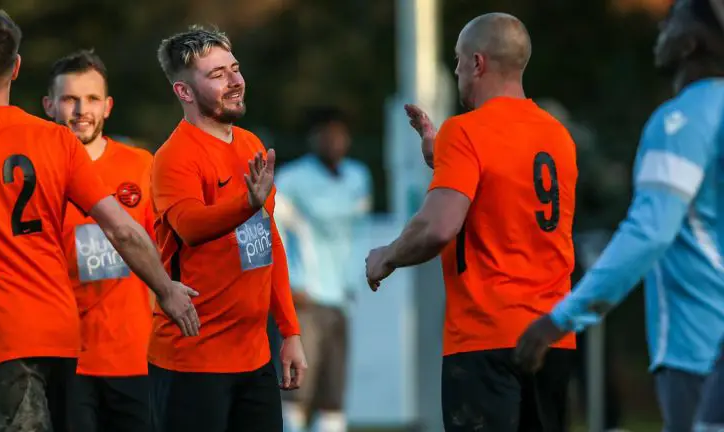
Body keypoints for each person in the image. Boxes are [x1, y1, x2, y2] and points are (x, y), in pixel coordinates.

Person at [0, 8, 200, 431]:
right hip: (62, 336)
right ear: (16, 67)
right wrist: (166, 289)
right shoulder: (55, 140)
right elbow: (122, 227)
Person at [515, 0, 724, 430]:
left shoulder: (681, 121)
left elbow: (649, 233)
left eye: (674, 19)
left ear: (692, 43)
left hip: (701, 345)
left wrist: (560, 319)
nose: (662, 27)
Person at [365, 13, 578, 432]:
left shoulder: (466, 131)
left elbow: (439, 226)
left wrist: (386, 256)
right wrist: (443, 160)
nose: (458, 70)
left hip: (487, 337)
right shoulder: (558, 135)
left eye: (460, 60)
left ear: (478, 63)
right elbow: (505, 195)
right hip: (552, 336)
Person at [148, 25, 307, 432]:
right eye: (217, 75)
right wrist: (246, 203)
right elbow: (189, 227)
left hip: (255, 357)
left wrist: (290, 331)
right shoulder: (175, 157)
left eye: (234, 69)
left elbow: (268, 242)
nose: (236, 81)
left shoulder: (251, 144)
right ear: (184, 92)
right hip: (193, 359)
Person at [43, 49, 156, 432]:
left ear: (107, 106)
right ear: (49, 105)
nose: (81, 110)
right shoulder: (36, 178)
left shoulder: (141, 166)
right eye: (69, 99)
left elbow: (166, 256)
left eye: (91, 99)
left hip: (137, 359)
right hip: (67, 361)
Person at [275, 107, 372, 432]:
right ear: (313, 137)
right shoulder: (290, 180)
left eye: (340, 133)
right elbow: (275, 234)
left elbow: (356, 233)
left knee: (333, 396)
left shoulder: (358, 177)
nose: (334, 140)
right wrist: (289, 285)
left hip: (341, 300)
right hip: (306, 299)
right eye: (326, 133)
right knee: (296, 394)